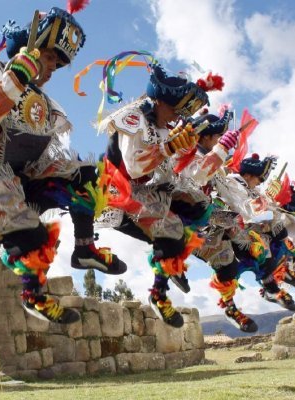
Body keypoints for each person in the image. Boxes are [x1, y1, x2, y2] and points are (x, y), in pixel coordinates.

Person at [0, 7, 124, 324]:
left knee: (87, 175)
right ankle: (34, 296)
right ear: (28, 49)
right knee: (34, 236)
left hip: (22, 181)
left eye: (58, 66)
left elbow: (44, 153)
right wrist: (12, 81)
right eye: (49, 59)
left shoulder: (44, 103)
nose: (51, 70)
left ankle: (85, 248)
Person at [98, 56, 235, 327]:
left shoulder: (168, 129)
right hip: (118, 192)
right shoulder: (133, 116)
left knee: (201, 209)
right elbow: (135, 167)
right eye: (177, 107)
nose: (180, 115)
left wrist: (214, 156)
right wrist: (169, 149)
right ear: (161, 100)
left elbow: (185, 174)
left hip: (150, 193)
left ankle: (177, 259)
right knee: (172, 227)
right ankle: (160, 293)